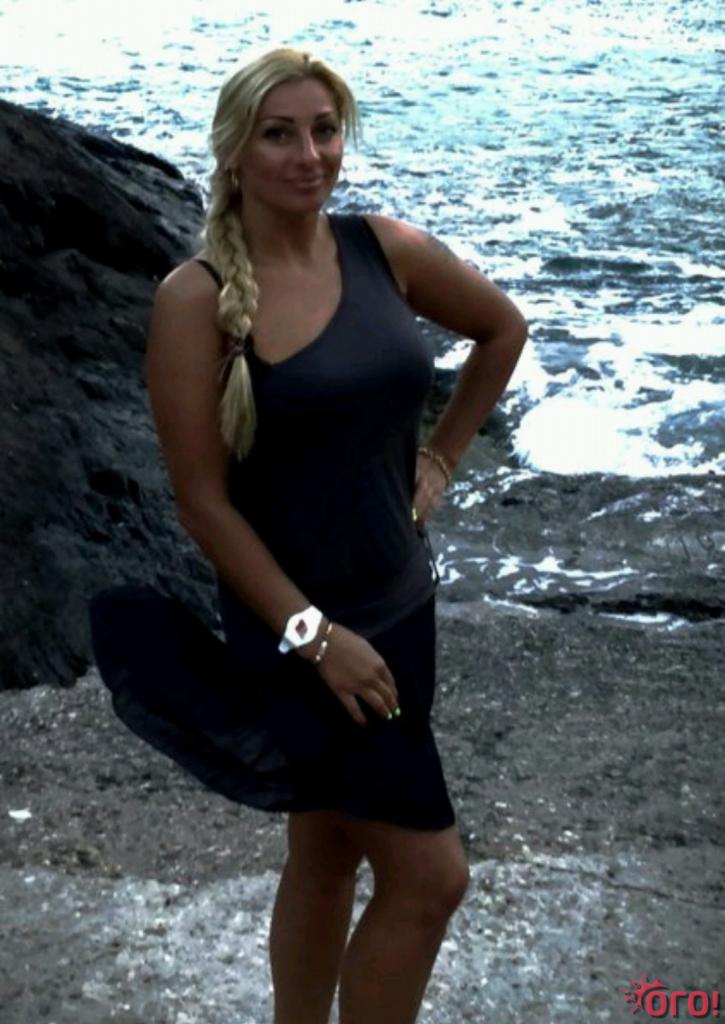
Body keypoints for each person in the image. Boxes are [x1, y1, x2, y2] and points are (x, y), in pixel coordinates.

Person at [143, 46, 527, 1024]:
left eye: (323, 130)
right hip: (298, 633)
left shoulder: (382, 250)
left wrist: (439, 458)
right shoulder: (195, 300)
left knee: (325, 845)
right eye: (279, 134)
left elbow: (501, 329)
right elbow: (203, 504)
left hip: (400, 611)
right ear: (234, 151)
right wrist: (314, 637)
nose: (309, 154)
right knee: (431, 877)